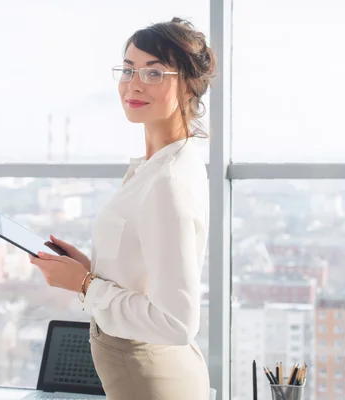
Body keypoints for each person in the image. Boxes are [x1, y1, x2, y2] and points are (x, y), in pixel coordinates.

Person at [29, 17, 215, 400]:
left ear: (187, 85)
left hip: (150, 377)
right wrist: (90, 270)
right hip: (147, 368)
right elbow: (145, 267)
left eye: (153, 72)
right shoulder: (158, 165)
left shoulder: (168, 181)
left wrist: (84, 285)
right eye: (128, 69)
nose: (133, 84)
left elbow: (177, 322)